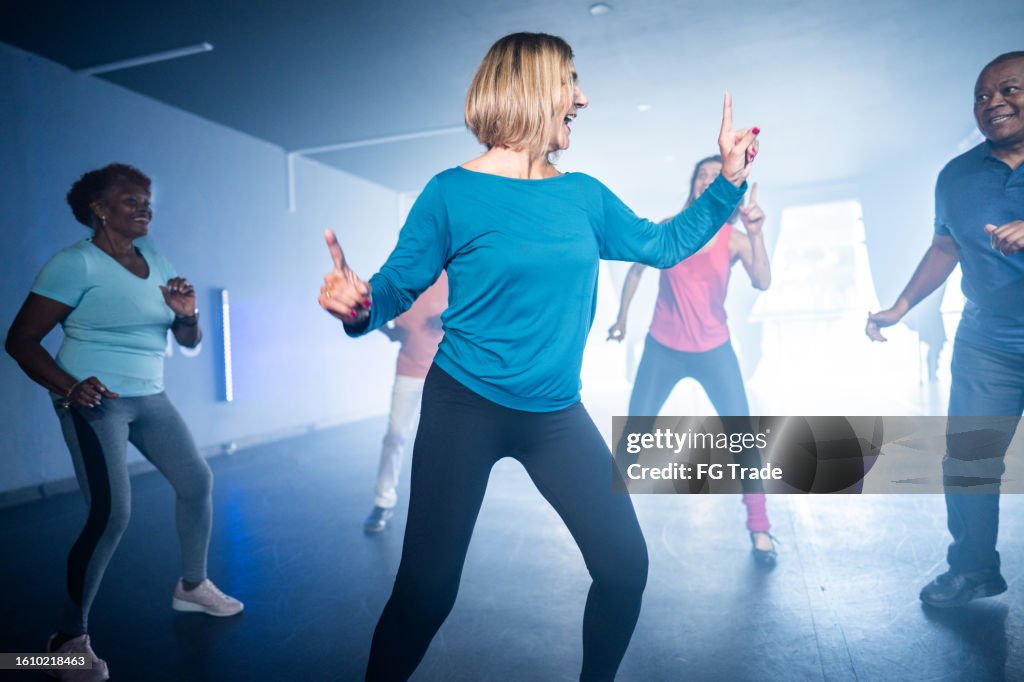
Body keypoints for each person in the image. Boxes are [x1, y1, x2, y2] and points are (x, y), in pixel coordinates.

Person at [319, 33, 758, 680]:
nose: (582, 97)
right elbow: (392, 290)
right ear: (527, 88)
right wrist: (358, 306)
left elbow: (663, 246)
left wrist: (728, 184)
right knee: (426, 594)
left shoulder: (583, 195)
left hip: (554, 412)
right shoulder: (450, 194)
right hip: (464, 404)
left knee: (624, 568)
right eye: (569, 82)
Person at [5, 164, 243, 682]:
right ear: (99, 208)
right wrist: (69, 386)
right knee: (111, 514)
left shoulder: (154, 258)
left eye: (148, 200)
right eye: (131, 200)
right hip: (94, 401)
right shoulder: (74, 264)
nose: (144, 208)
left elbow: (189, 342)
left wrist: (186, 314)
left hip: (149, 396)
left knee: (197, 481)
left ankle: (192, 587)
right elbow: (19, 341)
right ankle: (67, 640)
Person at [867, 51, 1024, 608]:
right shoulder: (956, 177)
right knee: (969, 459)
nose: (993, 103)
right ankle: (975, 569)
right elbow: (945, 245)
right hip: (989, 344)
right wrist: (901, 305)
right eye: (982, 97)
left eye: (1009, 89)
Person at [607, 156, 776, 566]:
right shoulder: (672, 226)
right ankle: (606, 524)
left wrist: (756, 234)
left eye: (716, 175)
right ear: (693, 184)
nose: (706, 179)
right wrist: (622, 317)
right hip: (663, 347)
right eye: (701, 174)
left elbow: (763, 281)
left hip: (714, 349)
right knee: (635, 433)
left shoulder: (734, 237)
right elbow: (635, 271)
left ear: (728, 187)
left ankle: (759, 526)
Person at [363, 272, 448, 533]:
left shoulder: (453, 274)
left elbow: (479, 310)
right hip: (409, 369)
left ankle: (446, 507)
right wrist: (389, 332)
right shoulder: (403, 274)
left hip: (446, 371)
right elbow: (367, 303)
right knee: (396, 434)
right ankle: (383, 502)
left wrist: (446, 319)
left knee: (446, 443)